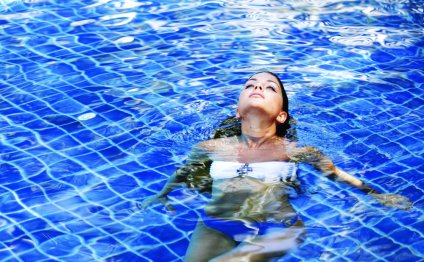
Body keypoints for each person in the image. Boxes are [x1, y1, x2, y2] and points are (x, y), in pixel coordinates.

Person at [141, 71, 412, 262]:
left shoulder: (295, 151)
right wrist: (162, 194)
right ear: (238, 110)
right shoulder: (209, 148)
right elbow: (185, 172)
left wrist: (379, 195)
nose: (258, 88)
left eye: (270, 87)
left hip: (278, 228)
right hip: (216, 223)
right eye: (250, 85)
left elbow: (337, 175)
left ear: (281, 115)